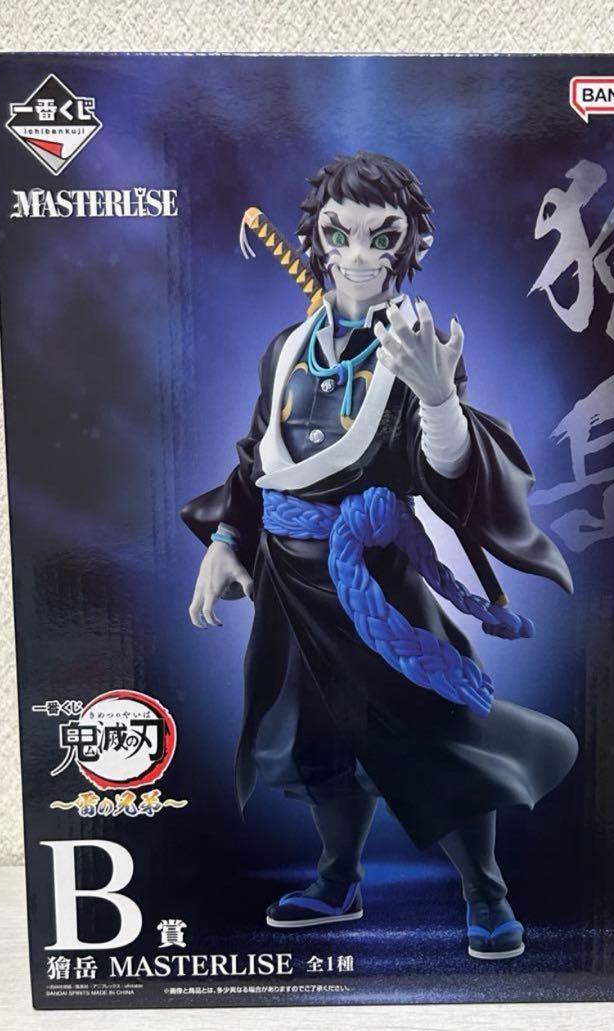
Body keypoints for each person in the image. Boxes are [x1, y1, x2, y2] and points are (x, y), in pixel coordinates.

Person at [182, 151, 577, 959]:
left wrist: (438, 398)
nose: (358, 255)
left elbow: (448, 475)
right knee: (314, 737)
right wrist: (225, 541)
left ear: (409, 244)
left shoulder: (416, 345)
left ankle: (486, 889)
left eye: (380, 236)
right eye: (341, 234)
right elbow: (257, 458)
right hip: (289, 581)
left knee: (432, 731)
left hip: (375, 577)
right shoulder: (286, 349)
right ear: (318, 238)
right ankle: (338, 878)